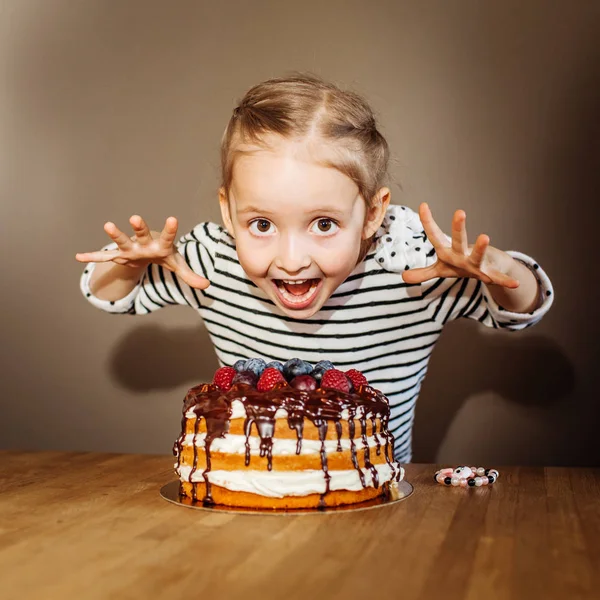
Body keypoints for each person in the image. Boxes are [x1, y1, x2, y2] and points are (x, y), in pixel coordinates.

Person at [76, 74, 553, 463]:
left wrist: (494, 266)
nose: (290, 258)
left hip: (375, 505)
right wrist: (129, 266)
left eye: (323, 223)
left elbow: (523, 309)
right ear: (227, 212)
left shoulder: (416, 274)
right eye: (261, 223)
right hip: (246, 494)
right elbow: (112, 297)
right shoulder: (214, 261)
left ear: (371, 214)